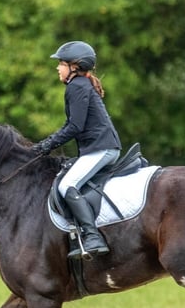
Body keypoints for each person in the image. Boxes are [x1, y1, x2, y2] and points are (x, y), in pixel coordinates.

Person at [32, 40, 122, 258]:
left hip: (102, 149)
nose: (57, 68)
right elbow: (71, 124)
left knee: (67, 186)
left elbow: (75, 127)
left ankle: (93, 237)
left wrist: (47, 145)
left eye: (61, 63)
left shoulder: (77, 86)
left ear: (74, 66)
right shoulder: (81, 85)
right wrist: (45, 144)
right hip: (100, 148)